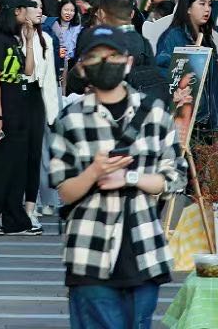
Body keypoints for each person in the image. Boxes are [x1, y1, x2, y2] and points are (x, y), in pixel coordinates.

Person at [50, 25, 182, 329]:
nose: (105, 63)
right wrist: (94, 172)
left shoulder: (155, 114)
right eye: (95, 57)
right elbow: (65, 191)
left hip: (143, 249)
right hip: (89, 252)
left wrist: (130, 177)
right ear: (82, 67)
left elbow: (173, 178)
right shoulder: (70, 120)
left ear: (128, 61)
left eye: (112, 56)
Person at [0, 0, 42, 236]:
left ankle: (15, 220)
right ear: (15, 11)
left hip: (18, 107)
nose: (28, 12)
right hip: (1, 109)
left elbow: (28, 71)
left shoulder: (14, 39)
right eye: (25, 8)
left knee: (17, 166)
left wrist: (29, 41)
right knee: (2, 166)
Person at [155, 0, 218, 144]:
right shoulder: (172, 37)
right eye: (202, 4)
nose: (207, 9)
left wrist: (216, 125)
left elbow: (212, 86)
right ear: (187, 8)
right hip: (184, 122)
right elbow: (162, 73)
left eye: (209, 5)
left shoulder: (207, 39)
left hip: (206, 122)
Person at [68, 0, 164, 102]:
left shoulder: (101, 45)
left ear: (102, 14)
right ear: (132, 14)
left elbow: (74, 82)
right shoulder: (143, 42)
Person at [22, 0, 63, 227]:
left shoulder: (46, 38)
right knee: (24, 155)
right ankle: (29, 202)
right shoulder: (13, 38)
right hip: (20, 101)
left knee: (44, 154)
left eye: (41, 6)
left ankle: (46, 200)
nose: (40, 10)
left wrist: (53, 112)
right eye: (34, 6)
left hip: (41, 100)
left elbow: (50, 79)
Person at [53, 0, 83, 75]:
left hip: (73, 66)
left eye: (72, 11)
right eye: (66, 10)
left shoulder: (78, 29)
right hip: (55, 64)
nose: (69, 13)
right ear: (60, 10)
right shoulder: (53, 26)